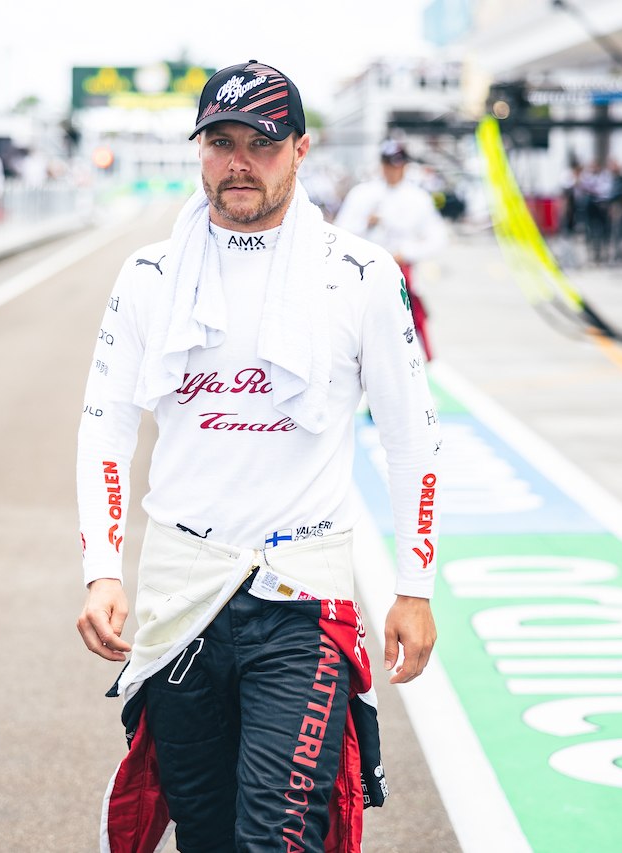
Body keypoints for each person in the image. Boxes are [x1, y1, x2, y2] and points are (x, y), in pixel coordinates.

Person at [76, 60, 439, 853]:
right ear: (200, 150)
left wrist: (415, 584)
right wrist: (103, 568)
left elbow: (413, 435)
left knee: (278, 834)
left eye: (261, 144)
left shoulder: (363, 275)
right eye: (220, 142)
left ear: (301, 150)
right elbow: (104, 425)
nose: (238, 162)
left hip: (302, 595)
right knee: (205, 836)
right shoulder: (148, 276)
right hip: (181, 595)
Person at [334, 139, 445, 359]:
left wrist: (407, 252)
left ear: (404, 166)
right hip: (365, 274)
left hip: (403, 273)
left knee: (406, 330)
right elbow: (340, 233)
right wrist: (366, 223)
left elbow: (438, 238)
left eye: (398, 165)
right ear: (381, 165)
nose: (393, 171)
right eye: (388, 165)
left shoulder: (418, 198)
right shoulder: (362, 194)